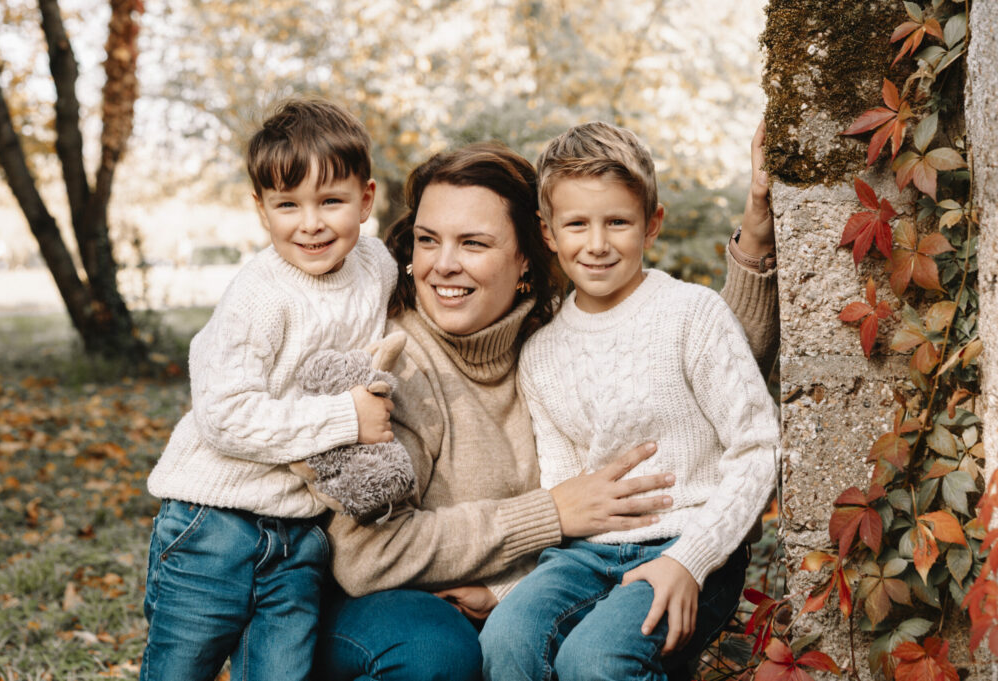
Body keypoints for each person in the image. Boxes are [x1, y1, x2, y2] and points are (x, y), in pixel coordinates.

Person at [319, 124, 779, 681]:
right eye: (428, 239)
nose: (443, 264)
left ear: (527, 256)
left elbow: (701, 373)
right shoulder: (398, 365)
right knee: (460, 648)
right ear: (553, 234)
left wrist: (757, 234)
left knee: (594, 656)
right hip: (395, 607)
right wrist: (542, 526)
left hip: (659, 548)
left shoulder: (544, 332)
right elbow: (365, 554)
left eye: (474, 243)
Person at [477, 121, 779, 681]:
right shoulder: (540, 353)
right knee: (506, 639)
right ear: (548, 232)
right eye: (577, 224)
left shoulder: (692, 315)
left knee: (596, 660)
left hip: (691, 545)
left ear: (651, 224)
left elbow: (758, 447)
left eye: (617, 222)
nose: (597, 244)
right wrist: (507, 588)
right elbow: (562, 488)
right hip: (584, 557)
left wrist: (689, 560)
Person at [140, 98, 399, 681]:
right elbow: (225, 417)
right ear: (261, 209)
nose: (311, 223)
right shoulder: (259, 297)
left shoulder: (377, 265)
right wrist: (346, 418)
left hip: (300, 535)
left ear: (365, 199)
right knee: (180, 669)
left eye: (330, 201)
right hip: (213, 525)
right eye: (288, 205)